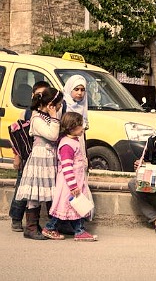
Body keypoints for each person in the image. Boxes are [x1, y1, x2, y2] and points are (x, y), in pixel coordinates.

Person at [15, 87, 64, 240]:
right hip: (40, 157)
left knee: (43, 192)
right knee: (35, 193)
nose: (60, 107)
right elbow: (53, 135)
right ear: (51, 104)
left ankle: (35, 226)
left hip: (48, 158)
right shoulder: (37, 119)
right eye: (58, 104)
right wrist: (54, 116)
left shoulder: (47, 117)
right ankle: (30, 227)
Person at [42, 112, 97, 241]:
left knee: (75, 206)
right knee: (68, 205)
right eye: (80, 126)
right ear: (71, 127)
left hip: (75, 182)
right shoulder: (67, 144)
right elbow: (67, 167)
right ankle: (51, 228)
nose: (83, 128)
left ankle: (78, 230)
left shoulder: (73, 141)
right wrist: (73, 185)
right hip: (69, 184)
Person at [9, 81, 50, 232]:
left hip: (41, 157)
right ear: (33, 95)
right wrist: (17, 156)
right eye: (38, 94)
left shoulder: (49, 113)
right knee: (22, 186)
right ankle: (16, 217)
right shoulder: (26, 113)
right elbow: (17, 136)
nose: (40, 97)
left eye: (44, 95)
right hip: (27, 155)